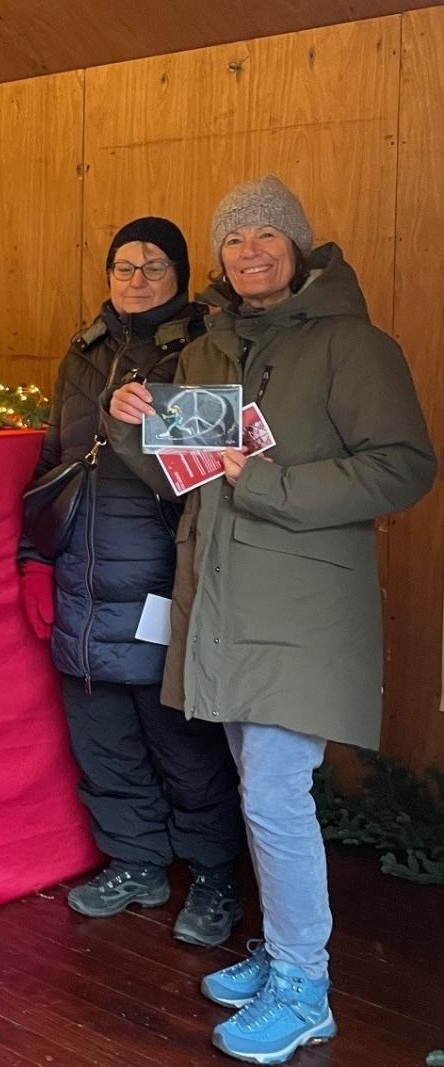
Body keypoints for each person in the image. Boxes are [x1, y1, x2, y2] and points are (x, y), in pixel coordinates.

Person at [106, 177, 436, 1064]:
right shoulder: (212, 347)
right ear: (218, 258)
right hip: (225, 594)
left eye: (268, 235)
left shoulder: (355, 345)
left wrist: (275, 484)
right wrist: (137, 421)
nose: (250, 251)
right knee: (262, 785)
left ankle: (304, 985)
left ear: (298, 247)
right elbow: (193, 471)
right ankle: (287, 953)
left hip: (301, 606)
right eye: (234, 238)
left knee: (275, 793)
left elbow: (405, 468)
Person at [20, 216, 245, 947]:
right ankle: (136, 859)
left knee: (183, 743)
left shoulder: (207, 349)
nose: (136, 277)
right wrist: (36, 557)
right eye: (123, 265)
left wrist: (134, 431)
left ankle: (214, 875)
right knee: (103, 737)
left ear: (180, 275)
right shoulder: (82, 352)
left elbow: (208, 475)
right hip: (85, 573)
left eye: (153, 265)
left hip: (162, 575)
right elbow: (53, 458)